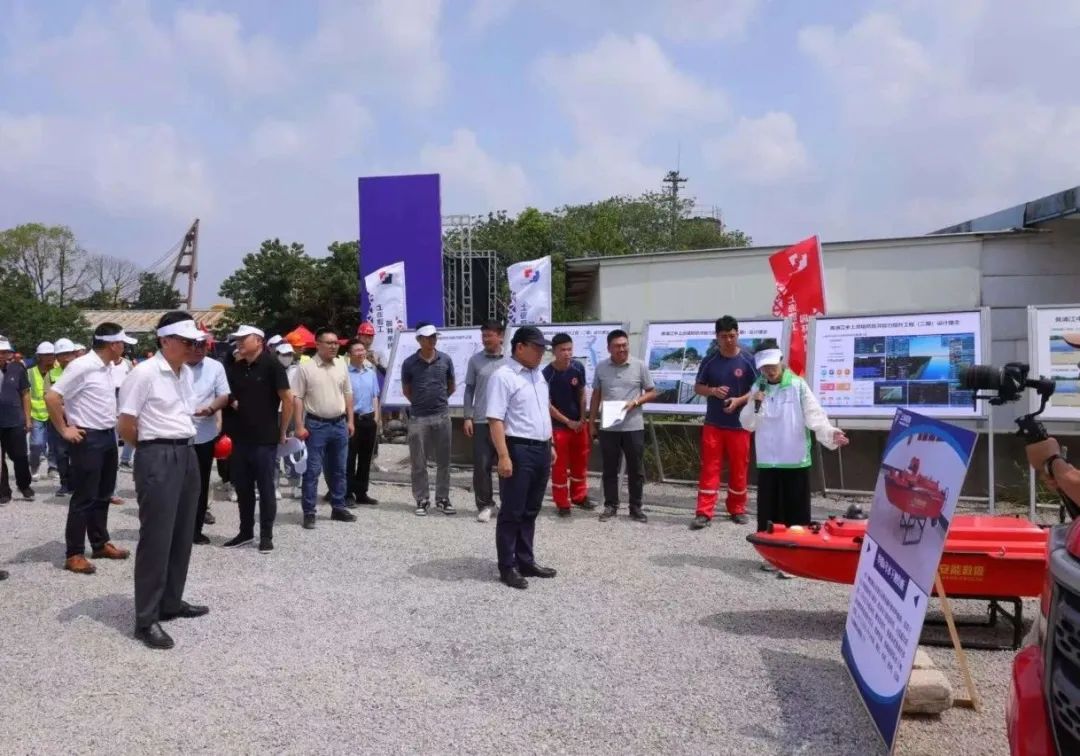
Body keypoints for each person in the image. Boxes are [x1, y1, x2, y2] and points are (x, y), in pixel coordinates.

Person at [118, 312, 210, 649]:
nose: (192, 347)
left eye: (195, 342)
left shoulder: (184, 373)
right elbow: (125, 423)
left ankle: (170, 601)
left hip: (186, 451)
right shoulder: (144, 373)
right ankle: (146, 619)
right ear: (165, 340)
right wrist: (148, 450)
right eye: (186, 342)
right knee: (156, 538)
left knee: (182, 533)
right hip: (157, 453)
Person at [740, 341, 848, 577]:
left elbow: (815, 416)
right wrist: (755, 403)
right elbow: (748, 424)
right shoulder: (758, 387)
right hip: (768, 460)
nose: (769, 371)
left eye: (772, 365)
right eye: (764, 367)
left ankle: (797, 559)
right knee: (769, 511)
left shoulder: (798, 385)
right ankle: (772, 555)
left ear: (781, 361)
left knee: (796, 512)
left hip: (794, 458)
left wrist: (830, 433)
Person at [46, 323, 138, 575]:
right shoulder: (82, 365)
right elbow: (52, 397)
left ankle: (99, 543)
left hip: (107, 435)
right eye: (122, 343)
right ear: (113, 344)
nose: (124, 348)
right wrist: (65, 429)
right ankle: (74, 553)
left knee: (103, 493)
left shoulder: (107, 366)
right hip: (88, 438)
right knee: (84, 496)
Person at [487, 326, 558, 590]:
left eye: (543, 348)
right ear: (520, 347)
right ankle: (507, 566)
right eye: (537, 347)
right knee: (512, 511)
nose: (541, 352)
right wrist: (503, 456)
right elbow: (495, 419)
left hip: (541, 449)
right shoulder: (503, 377)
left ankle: (525, 560)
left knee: (531, 509)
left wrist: (549, 442)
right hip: (518, 449)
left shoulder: (538, 375)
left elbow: (541, 412)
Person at [222, 325, 293, 551]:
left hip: (264, 439)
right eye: (238, 339)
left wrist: (283, 431)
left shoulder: (272, 365)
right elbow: (226, 392)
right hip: (239, 438)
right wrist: (233, 401)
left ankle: (266, 536)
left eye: (244, 339)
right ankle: (245, 532)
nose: (239, 343)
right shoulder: (236, 367)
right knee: (243, 488)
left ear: (259, 341)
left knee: (266, 488)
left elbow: (287, 399)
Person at [691, 316, 758, 529]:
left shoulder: (748, 360)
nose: (728, 340)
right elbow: (698, 387)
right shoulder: (710, 360)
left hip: (740, 425)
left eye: (732, 335)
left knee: (739, 467)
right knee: (710, 468)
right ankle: (704, 512)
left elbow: (758, 390)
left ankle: (737, 508)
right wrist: (713, 391)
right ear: (717, 337)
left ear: (738, 334)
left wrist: (738, 400)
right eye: (723, 336)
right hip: (714, 424)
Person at [589, 329, 657, 523]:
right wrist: (591, 423)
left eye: (624, 345)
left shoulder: (639, 366)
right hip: (609, 427)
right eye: (617, 346)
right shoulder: (601, 367)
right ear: (609, 348)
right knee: (609, 468)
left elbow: (652, 392)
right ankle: (611, 505)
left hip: (633, 426)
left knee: (636, 469)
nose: (622, 349)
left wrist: (635, 402)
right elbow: (595, 396)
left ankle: (636, 507)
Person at [293, 327, 355, 529]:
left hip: (339, 424)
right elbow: (297, 398)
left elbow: (348, 394)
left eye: (336, 343)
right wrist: (299, 425)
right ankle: (309, 512)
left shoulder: (341, 365)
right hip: (316, 425)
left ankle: (338, 507)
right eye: (329, 343)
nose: (334, 346)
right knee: (312, 470)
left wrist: (350, 421)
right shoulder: (306, 368)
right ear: (318, 344)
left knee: (339, 468)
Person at [401, 323, 455, 516]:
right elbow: (407, 391)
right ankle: (422, 499)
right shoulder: (409, 363)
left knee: (444, 461)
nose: (432, 340)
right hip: (418, 418)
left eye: (434, 336)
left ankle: (442, 498)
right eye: (427, 337)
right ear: (419, 340)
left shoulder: (445, 359)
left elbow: (451, 386)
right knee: (418, 461)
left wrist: (438, 402)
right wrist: (420, 403)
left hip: (442, 415)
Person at [544, 333, 595, 517]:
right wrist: (568, 422)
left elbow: (581, 393)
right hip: (559, 427)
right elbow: (547, 405)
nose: (567, 353)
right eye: (562, 350)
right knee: (559, 467)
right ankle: (562, 503)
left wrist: (582, 418)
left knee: (580, 463)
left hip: (579, 426)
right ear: (554, 351)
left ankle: (579, 496)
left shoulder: (577, 367)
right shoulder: (547, 374)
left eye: (569, 349)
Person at [186, 336, 231, 545]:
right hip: (175, 434)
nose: (199, 350)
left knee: (201, 483)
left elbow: (224, 395)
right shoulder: (175, 364)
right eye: (195, 345)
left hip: (204, 434)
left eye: (203, 346)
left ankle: (195, 529)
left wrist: (212, 409)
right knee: (174, 484)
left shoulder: (215, 367)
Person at [462, 319, 507, 522]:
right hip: (481, 420)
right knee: (482, 465)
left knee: (506, 464)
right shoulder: (475, 361)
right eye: (484, 336)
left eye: (490, 335)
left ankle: (507, 504)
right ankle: (485, 505)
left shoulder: (510, 361)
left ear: (500, 336)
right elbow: (469, 389)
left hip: (505, 422)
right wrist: (467, 416)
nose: (486, 339)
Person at [344, 341, 380, 506]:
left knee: (365, 458)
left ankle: (361, 492)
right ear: (349, 354)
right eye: (357, 350)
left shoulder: (370, 373)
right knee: (349, 458)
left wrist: (376, 417)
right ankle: (347, 493)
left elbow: (375, 396)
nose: (361, 353)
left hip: (368, 419)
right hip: (352, 419)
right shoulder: (345, 374)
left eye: (362, 350)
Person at [0, 337, 34, 505]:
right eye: (0, 352)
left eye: (5, 352)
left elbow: (25, 395)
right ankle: (3, 491)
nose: (3, 355)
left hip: (15, 420)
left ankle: (24, 485)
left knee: (19, 456)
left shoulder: (17, 369)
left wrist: (27, 419)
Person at [48, 338, 78, 495]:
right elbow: (48, 396)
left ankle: (78, 482)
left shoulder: (82, 371)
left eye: (68, 353)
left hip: (79, 418)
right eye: (61, 354)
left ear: (74, 354)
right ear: (56, 357)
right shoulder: (52, 374)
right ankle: (65, 484)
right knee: (61, 453)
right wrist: (62, 409)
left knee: (79, 453)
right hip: (59, 418)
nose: (65, 357)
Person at [27, 341, 56, 479]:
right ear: (39, 356)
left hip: (54, 413)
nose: (49, 357)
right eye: (46, 355)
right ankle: (34, 465)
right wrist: (27, 416)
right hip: (36, 414)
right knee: (36, 444)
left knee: (54, 443)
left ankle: (53, 468)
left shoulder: (58, 371)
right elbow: (26, 395)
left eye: (51, 354)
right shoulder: (30, 372)